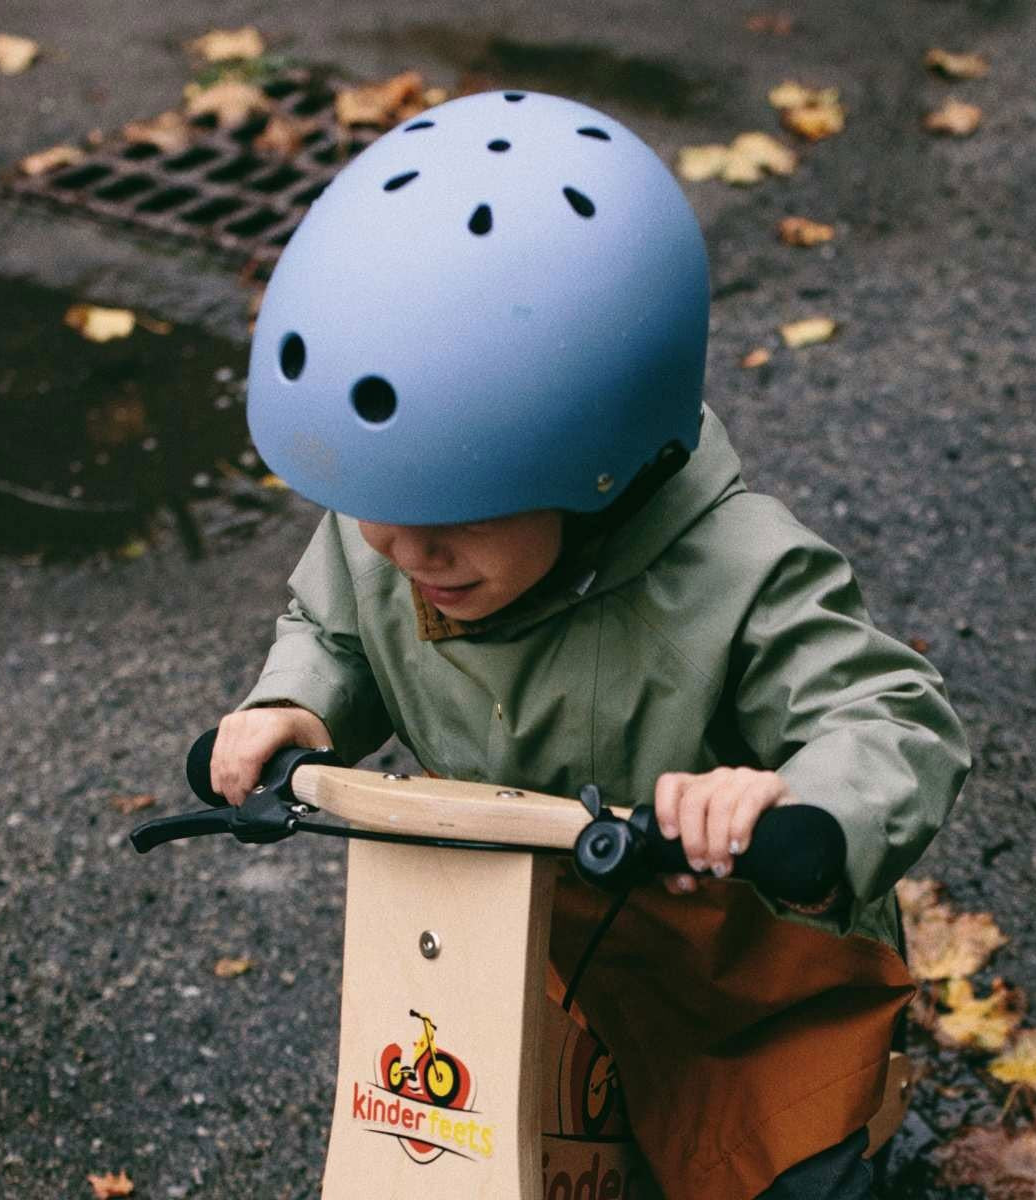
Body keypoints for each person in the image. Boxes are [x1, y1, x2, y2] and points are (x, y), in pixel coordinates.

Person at [210, 89, 970, 1199]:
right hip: (523, 951)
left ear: (603, 456)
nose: (401, 546)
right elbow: (335, 623)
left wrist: (793, 805)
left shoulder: (739, 570)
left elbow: (892, 716)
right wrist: (299, 703)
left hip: (734, 979)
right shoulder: (395, 525)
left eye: (455, 514)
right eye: (375, 507)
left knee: (785, 1168)